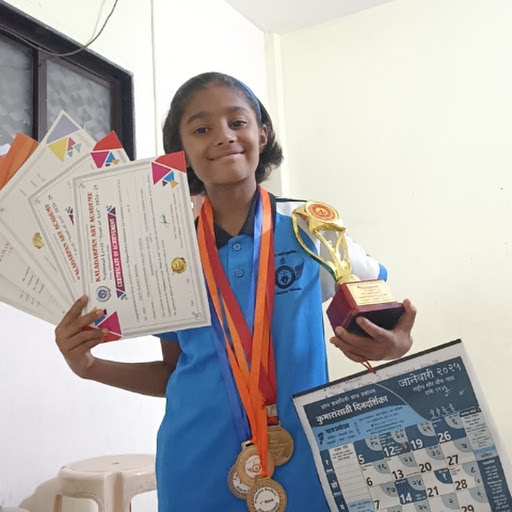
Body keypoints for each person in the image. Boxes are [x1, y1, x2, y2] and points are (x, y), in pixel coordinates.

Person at [55, 71, 416, 511]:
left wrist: (395, 345)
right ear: (181, 152)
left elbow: (381, 316)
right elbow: (173, 372)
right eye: (201, 129)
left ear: (262, 133)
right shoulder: (167, 250)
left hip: (308, 457)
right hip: (196, 465)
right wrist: (89, 366)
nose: (223, 136)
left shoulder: (310, 228)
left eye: (238, 122)